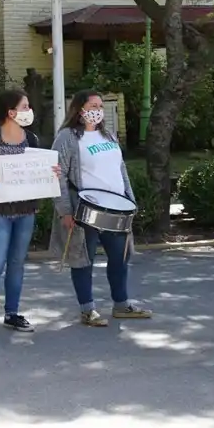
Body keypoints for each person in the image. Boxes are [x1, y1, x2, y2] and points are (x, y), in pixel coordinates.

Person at [51, 90, 153, 327]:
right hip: (85, 209)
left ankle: (121, 304)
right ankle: (87, 309)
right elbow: (58, 176)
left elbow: (121, 169)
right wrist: (65, 210)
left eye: (100, 105)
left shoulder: (108, 135)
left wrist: (130, 200)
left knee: (121, 257)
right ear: (79, 109)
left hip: (116, 208)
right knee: (82, 259)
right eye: (92, 106)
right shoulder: (67, 137)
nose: (98, 110)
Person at [0, 89, 59, 337]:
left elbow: (41, 171)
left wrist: (52, 173)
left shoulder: (32, 139)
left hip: (27, 210)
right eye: (25, 106)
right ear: (10, 112)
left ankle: (12, 314)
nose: (29, 111)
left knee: (17, 263)